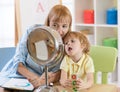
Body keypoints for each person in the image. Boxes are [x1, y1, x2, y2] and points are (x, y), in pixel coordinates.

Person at [0, 4, 72, 91]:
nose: (59, 30)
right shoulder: (33, 32)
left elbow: (59, 73)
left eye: (64, 26)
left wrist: (42, 82)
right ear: (48, 22)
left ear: (69, 27)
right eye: (55, 25)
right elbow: (18, 62)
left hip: (40, 84)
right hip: (14, 77)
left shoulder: (68, 45)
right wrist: (35, 78)